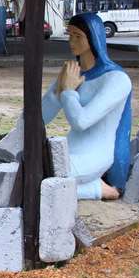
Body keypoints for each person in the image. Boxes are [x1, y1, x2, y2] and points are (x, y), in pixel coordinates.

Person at [41, 12, 132, 201]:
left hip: (94, 156)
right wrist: (56, 92)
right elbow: (41, 116)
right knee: (26, 173)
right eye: (70, 35)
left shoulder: (117, 79)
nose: (71, 41)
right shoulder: (73, 73)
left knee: (40, 185)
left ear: (94, 38)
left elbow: (81, 122)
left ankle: (101, 190)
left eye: (78, 36)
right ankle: (88, 185)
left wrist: (67, 92)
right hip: (68, 150)